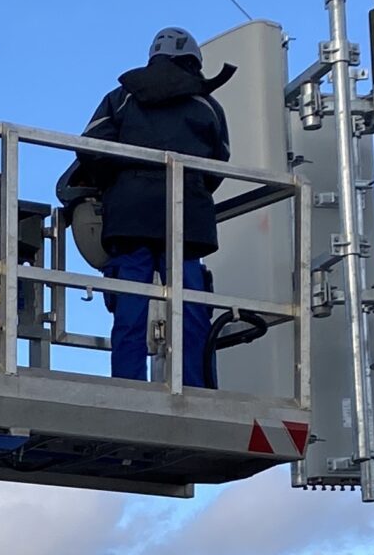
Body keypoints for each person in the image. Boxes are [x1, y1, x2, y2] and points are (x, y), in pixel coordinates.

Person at [58, 28, 264, 387]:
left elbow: (91, 148)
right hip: (187, 217)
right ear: (193, 61)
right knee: (190, 308)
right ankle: (194, 387)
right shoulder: (207, 105)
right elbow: (219, 162)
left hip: (130, 214)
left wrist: (117, 183)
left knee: (131, 307)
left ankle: (128, 385)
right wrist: (190, 188)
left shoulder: (121, 96)